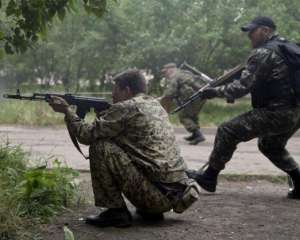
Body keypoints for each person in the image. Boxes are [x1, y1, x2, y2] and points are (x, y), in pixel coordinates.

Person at [48, 69, 200, 228]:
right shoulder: (155, 105)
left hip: (155, 198)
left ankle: (116, 213)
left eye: (115, 91)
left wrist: (67, 111)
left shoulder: (127, 107)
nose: (112, 96)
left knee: (100, 146)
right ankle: (150, 211)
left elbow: (86, 135)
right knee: (118, 145)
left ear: (127, 90)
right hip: (175, 194)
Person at [187, 16, 300, 199]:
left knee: (227, 129)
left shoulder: (263, 53)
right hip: (295, 112)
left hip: (277, 112)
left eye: (252, 31)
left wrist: (214, 92)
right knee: (270, 145)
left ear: (265, 30)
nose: (249, 36)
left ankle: (209, 177)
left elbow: (241, 88)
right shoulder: (286, 47)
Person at [159, 63, 207, 145]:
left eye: (165, 72)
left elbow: (170, 92)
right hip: (201, 95)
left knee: (183, 116)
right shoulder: (184, 73)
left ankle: (198, 135)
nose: (165, 74)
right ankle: (195, 134)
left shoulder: (175, 76)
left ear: (171, 69)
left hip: (194, 97)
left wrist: (161, 98)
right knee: (192, 115)